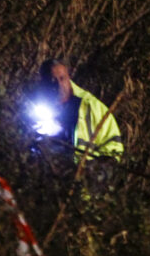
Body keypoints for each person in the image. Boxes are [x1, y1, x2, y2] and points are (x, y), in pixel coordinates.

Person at [38, 59, 124, 189]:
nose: (59, 85)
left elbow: (114, 151)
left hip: (82, 192)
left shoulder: (92, 107)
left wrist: (91, 173)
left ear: (69, 77)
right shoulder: (34, 107)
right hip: (45, 187)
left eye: (62, 79)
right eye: (52, 81)